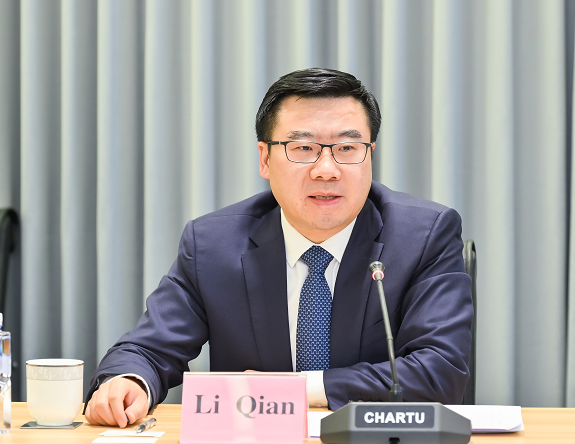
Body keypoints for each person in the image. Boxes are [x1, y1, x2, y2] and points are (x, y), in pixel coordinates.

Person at [84, 68, 473, 428]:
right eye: (302, 148)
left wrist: (296, 390)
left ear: (369, 154)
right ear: (265, 159)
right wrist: (128, 381)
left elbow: (439, 372)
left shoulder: (422, 237)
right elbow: (149, 348)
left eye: (347, 148)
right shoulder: (213, 244)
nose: (326, 169)